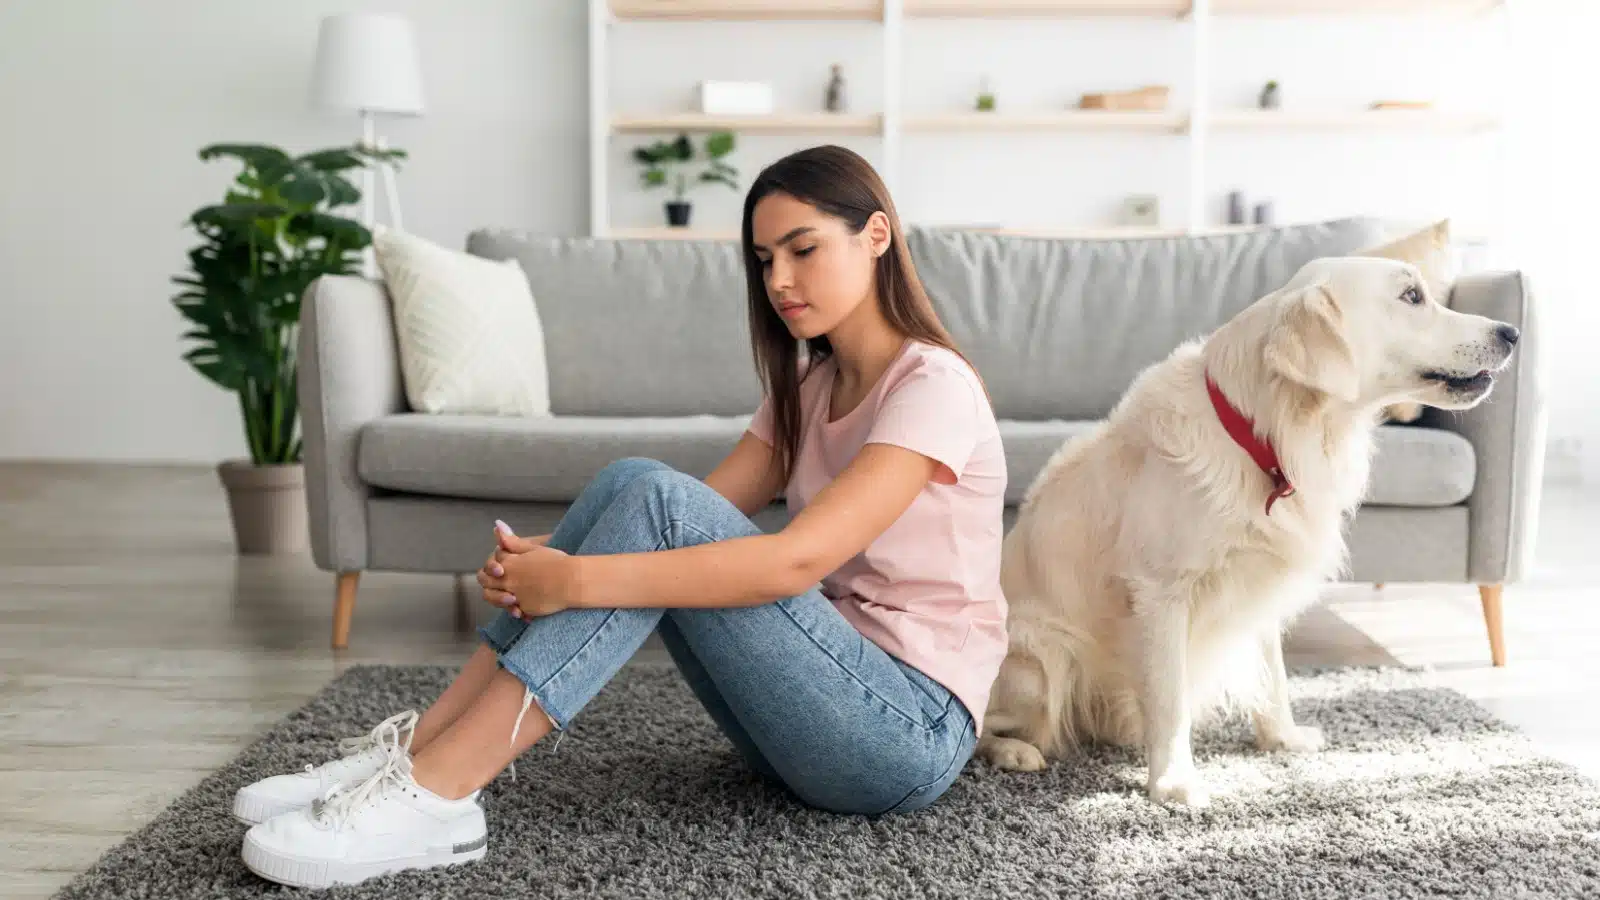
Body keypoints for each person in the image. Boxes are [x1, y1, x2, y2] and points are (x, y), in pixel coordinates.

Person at [232, 144, 1009, 890]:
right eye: (764, 259)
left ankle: (440, 795)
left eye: (803, 249)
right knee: (634, 484)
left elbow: (793, 561)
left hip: (905, 734)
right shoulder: (808, 387)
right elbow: (698, 511)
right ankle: (413, 757)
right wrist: (552, 558)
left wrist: (574, 581)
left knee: (655, 504)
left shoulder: (931, 386)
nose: (779, 280)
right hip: (814, 710)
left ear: (876, 235)